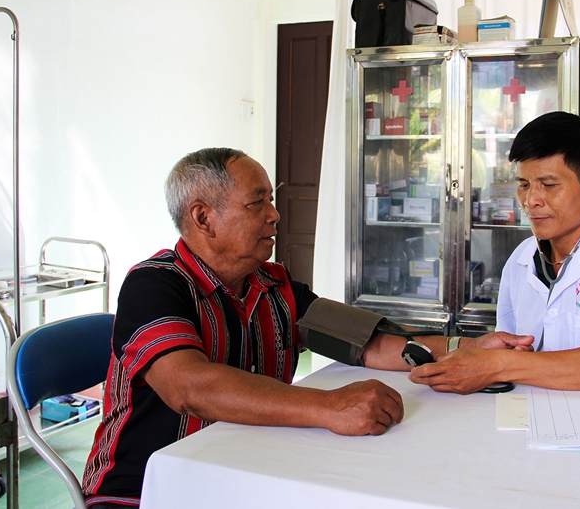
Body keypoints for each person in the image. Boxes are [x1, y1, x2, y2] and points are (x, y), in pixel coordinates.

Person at [82, 148, 530, 507]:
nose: (274, 215)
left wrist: (465, 347)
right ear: (203, 218)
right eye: (257, 202)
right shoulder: (154, 285)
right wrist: (330, 407)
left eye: (271, 200)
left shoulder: (272, 284)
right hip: (145, 490)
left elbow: (369, 343)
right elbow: (191, 387)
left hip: (248, 472)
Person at [409, 112, 580, 394]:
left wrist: (499, 365)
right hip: (525, 412)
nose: (530, 200)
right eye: (524, 185)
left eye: (549, 185)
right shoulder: (521, 260)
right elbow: (510, 345)